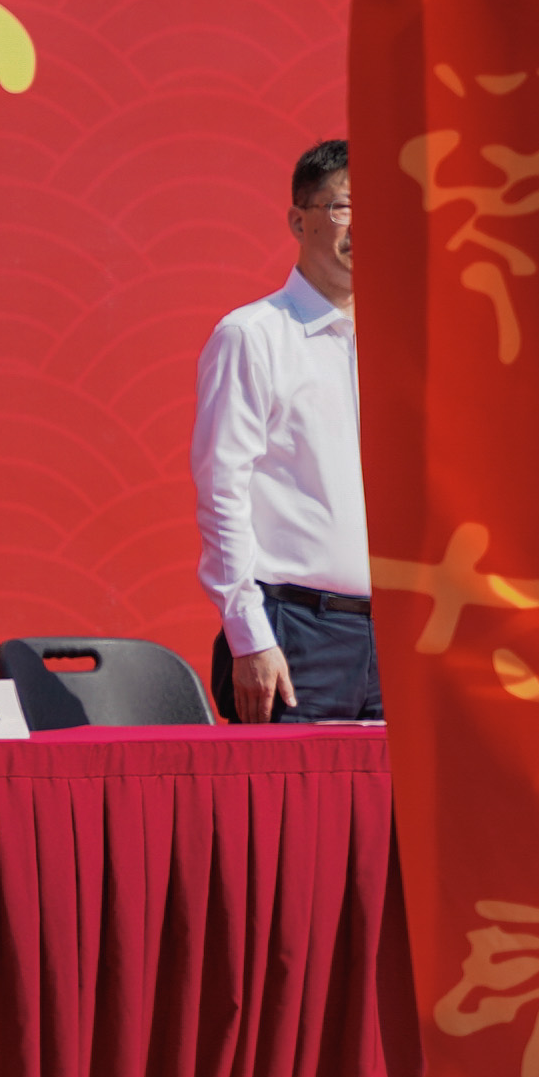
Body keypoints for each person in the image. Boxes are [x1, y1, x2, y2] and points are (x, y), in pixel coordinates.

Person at [192, 139, 378, 724]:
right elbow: (222, 490)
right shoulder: (253, 336)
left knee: (392, 816)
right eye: (344, 208)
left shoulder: (402, 344)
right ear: (300, 219)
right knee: (299, 814)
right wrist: (249, 635)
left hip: (399, 636)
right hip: (296, 635)